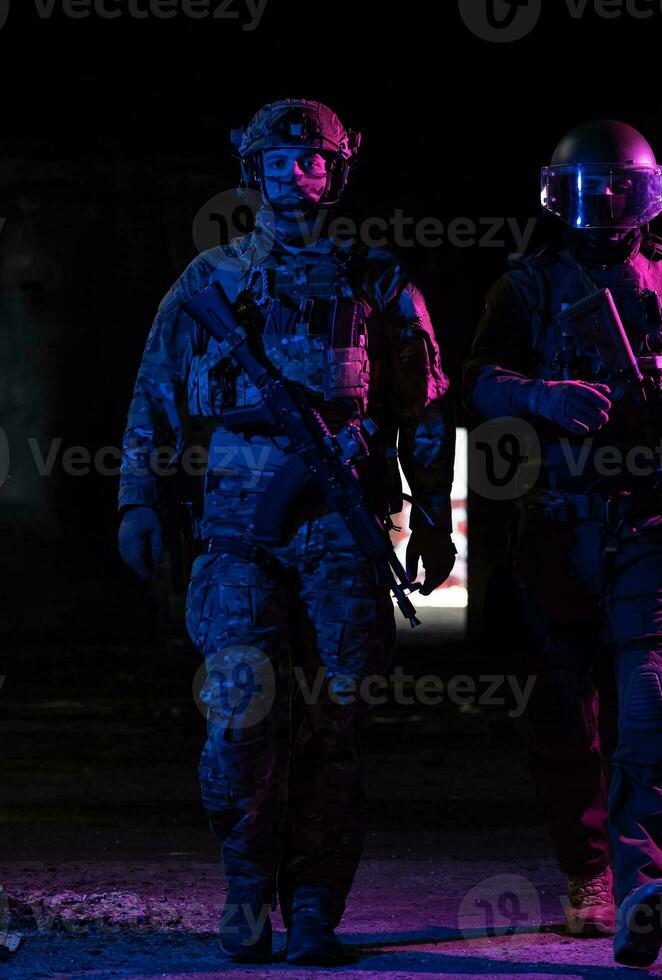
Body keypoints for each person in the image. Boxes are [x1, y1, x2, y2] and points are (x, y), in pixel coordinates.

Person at [117, 98, 457, 965]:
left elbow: (421, 411)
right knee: (239, 714)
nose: (294, 175)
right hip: (237, 527)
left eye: (312, 161)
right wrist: (138, 502)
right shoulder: (211, 284)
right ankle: (245, 886)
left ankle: (313, 901)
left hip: (342, 530)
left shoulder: (378, 283)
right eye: (278, 160)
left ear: (338, 173)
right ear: (251, 171)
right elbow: (153, 401)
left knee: (336, 723)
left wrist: (428, 515)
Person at [464, 119, 662, 967]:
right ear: (561, 200)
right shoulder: (525, 289)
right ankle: (587, 870)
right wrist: (544, 397)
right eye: (590, 192)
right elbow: (477, 384)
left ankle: (645, 882)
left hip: (655, 527)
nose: (606, 207)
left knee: (654, 709)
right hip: (557, 525)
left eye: (621, 190)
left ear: (648, 192)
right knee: (564, 719)